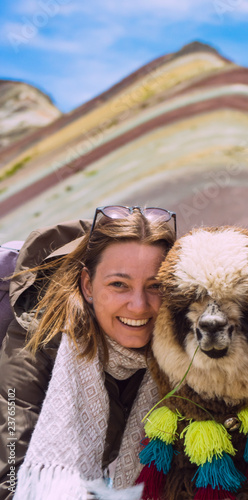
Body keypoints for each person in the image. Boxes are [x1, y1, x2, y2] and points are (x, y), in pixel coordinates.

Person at [0, 205, 176, 499]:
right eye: (119, 284)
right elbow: (12, 469)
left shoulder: (181, 349)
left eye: (155, 286)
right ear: (88, 285)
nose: (139, 305)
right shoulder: (39, 337)